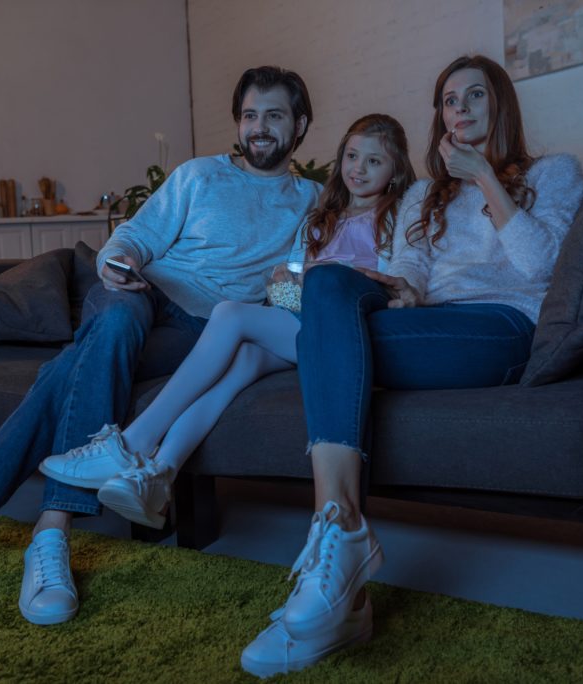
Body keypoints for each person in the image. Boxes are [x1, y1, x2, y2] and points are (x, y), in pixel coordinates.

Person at [0, 65, 321, 625]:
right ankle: (50, 538)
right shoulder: (198, 176)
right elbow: (135, 239)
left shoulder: (312, 202)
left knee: (69, 370)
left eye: (274, 115)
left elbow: (292, 293)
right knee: (115, 327)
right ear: (238, 124)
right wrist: (119, 264)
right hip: (140, 296)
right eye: (249, 115)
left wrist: (286, 289)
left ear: (300, 124)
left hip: (202, 328)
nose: (259, 127)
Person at [239, 54, 583, 678]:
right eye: (449, 101)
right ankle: (337, 540)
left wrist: (485, 177)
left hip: (502, 327)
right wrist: (396, 288)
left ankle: (335, 566)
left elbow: (541, 268)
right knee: (324, 287)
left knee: (328, 344)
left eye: (473, 97)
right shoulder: (427, 193)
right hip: (426, 321)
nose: (459, 110)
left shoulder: (556, 173)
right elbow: (417, 275)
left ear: (500, 104)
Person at [39, 114, 416, 530]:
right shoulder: (320, 218)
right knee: (240, 365)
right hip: (294, 323)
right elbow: (289, 276)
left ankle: (131, 442)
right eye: (351, 156)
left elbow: (394, 285)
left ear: (396, 171)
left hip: (341, 335)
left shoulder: (396, 220)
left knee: (230, 313)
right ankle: (160, 474)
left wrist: (318, 285)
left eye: (374, 161)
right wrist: (286, 279)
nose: (358, 169)